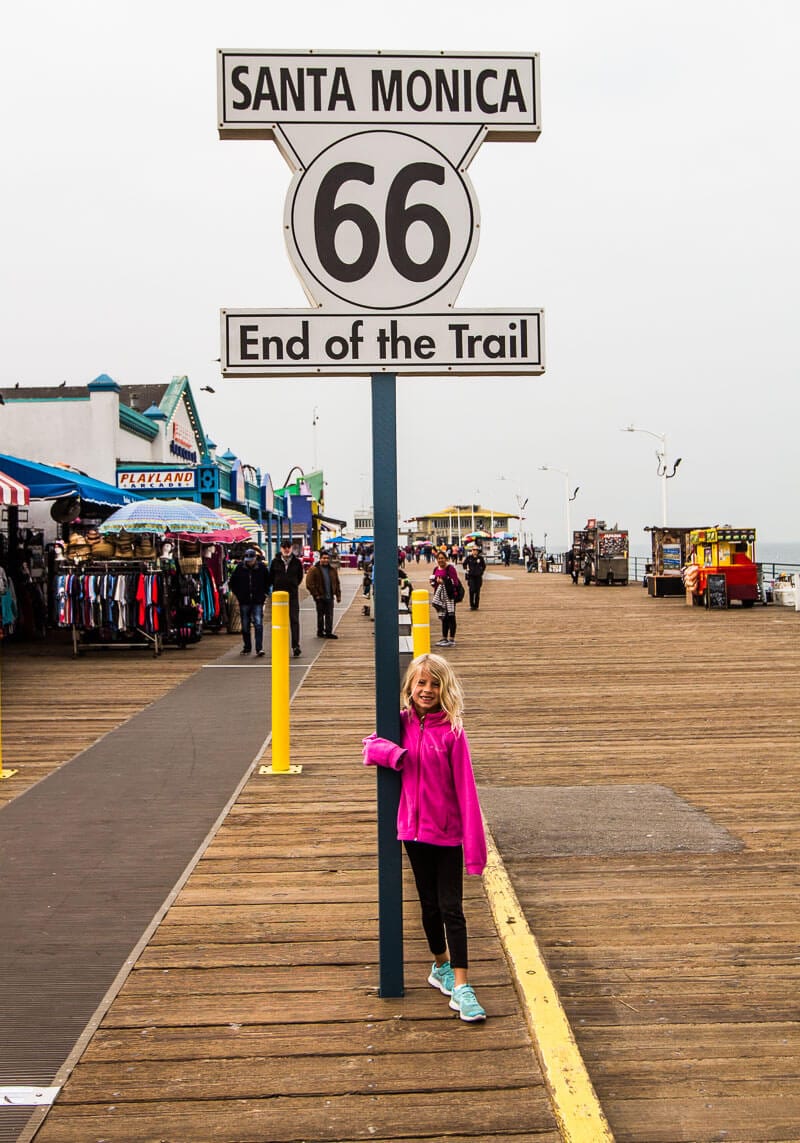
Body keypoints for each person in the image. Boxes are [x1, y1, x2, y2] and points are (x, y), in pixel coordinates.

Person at [362, 653, 487, 1022]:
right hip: (413, 833)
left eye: (434, 684)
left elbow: (467, 789)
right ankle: (440, 966)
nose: (427, 690)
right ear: (410, 688)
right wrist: (395, 755)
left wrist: (474, 850)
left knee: (453, 909)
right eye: (421, 683)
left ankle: (462, 986)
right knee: (429, 905)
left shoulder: (451, 731)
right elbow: (368, 745)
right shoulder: (398, 724)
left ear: (443, 688)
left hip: (447, 833)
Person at [228, 548, 270, 656]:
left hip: (257, 600)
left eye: (251, 559)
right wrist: (239, 595)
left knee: (258, 624)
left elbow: (268, 581)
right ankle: (247, 647)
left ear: (255, 558)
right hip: (244, 601)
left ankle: (259, 648)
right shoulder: (240, 568)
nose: (249, 561)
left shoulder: (262, 568)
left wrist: (264, 594)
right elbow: (232, 583)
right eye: (247, 559)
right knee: (245, 625)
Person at [269, 537, 304, 656]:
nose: (286, 549)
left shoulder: (297, 562)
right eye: (284, 547)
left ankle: (295, 646)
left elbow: (300, 577)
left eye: (288, 547)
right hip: (278, 596)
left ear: (292, 548)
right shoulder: (275, 562)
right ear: (281, 548)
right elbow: (271, 577)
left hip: (292, 595)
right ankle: (280, 645)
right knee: (278, 622)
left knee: (294, 620)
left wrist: (293, 585)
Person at [305, 549, 342, 639]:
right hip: (320, 597)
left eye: (327, 558)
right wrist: (316, 595)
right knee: (320, 615)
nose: (325, 560)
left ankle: (328, 632)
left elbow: (337, 583)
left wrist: (338, 595)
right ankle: (320, 631)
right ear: (320, 559)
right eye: (323, 558)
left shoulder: (332, 570)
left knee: (329, 615)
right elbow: (309, 583)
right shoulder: (314, 569)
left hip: (330, 596)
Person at [430, 549, 460, 647]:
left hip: (450, 596)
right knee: (443, 617)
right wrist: (434, 582)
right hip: (440, 597)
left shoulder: (450, 568)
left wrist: (444, 581)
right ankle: (444, 637)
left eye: (442, 558)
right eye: (439, 558)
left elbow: (455, 582)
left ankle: (451, 639)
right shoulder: (435, 569)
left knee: (451, 616)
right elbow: (433, 582)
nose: (440, 560)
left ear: (446, 559)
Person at [462, 544, 486, 610]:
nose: (475, 551)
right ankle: (472, 605)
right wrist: (466, 568)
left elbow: (484, 566)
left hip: (478, 576)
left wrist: (481, 571)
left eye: (476, 550)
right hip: (471, 576)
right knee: (471, 590)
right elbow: (464, 564)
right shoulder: (469, 558)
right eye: (473, 550)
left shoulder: (480, 558)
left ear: (478, 551)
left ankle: (476, 605)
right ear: (472, 551)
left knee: (477, 591)